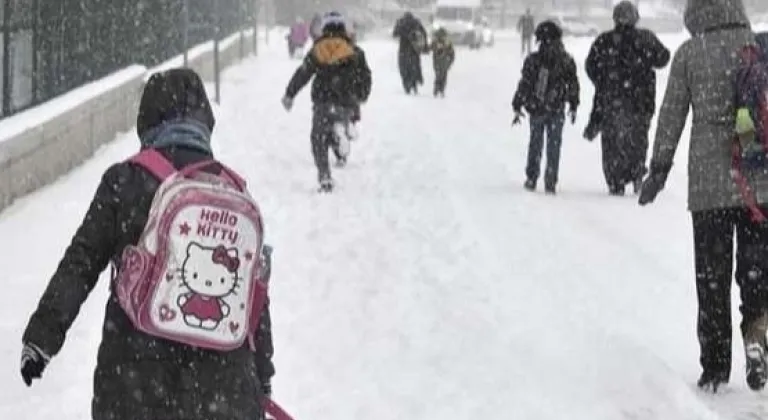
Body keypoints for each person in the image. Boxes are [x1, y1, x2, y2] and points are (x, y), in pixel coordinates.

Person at [19, 68, 276, 419]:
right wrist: (262, 375)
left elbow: (80, 262)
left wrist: (42, 337)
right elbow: (254, 296)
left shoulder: (124, 181)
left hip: (136, 380)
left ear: (147, 120)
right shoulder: (232, 191)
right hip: (224, 387)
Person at [638, 0, 768, 393]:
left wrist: (658, 168)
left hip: (710, 186)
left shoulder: (690, 53)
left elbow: (672, 113)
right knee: (757, 271)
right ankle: (758, 333)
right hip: (757, 181)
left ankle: (714, 367)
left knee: (712, 278)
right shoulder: (758, 45)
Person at [585, 0, 670, 196]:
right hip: (641, 101)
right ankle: (636, 171)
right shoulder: (645, 38)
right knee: (638, 139)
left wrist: (603, 81)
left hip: (611, 100)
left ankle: (615, 180)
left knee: (612, 142)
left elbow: (591, 66)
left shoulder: (604, 41)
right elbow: (663, 58)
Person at [281, 11, 372, 193]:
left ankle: (324, 176)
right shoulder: (355, 52)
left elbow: (303, 73)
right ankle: (344, 131)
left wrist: (290, 94)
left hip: (323, 101)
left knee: (318, 138)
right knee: (340, 122)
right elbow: (365, 77)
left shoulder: (318, 49)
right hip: (347, 102)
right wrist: (361, 96)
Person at [512, 21, 579, 195]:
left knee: (536, 143)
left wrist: (518, 103)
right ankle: (550, 179)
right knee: (554, 145)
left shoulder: (534, 60)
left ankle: (532, 177)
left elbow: (525, 84)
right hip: (556, 108)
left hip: (537, 107)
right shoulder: (566, 60)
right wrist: (573, 104)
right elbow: (573, 84)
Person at [393, 11, 428, 94]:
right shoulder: (416, 22)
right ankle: (414, 82)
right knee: (414, 66)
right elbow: (424, 33)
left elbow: (394, 34)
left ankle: (407, 84)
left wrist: (403, 33)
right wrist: (424, 46)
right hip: (414, 49)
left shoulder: (401, 22)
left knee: (403, 67)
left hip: (403, 48)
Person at [429, 27, 456, 97]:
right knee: (442, 76)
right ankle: (440, 89)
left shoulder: (439, 42)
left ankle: (439, 89)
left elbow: (451, 53)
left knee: (440, 76)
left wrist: (450, 61)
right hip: (443, 63)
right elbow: (452, 53)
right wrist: (450, 61)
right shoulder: (445, 42)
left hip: (440, 63)